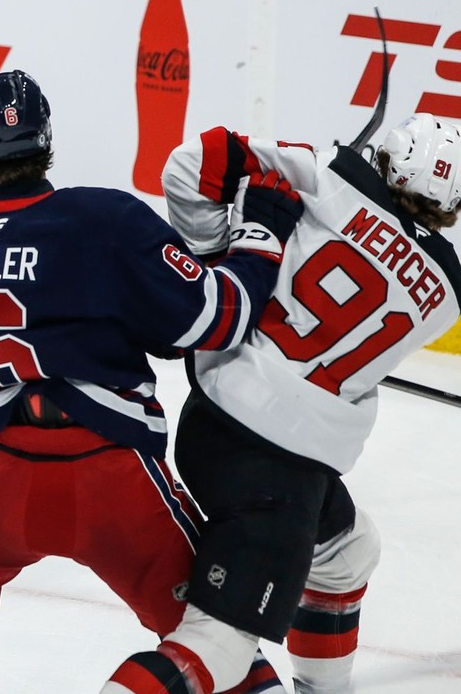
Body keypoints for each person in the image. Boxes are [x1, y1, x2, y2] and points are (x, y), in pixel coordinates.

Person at [0, 70, 300, 693]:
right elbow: (215, 318)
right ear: (47, 140)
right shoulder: (105, 217)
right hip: (111, 478)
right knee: (215, 643)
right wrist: (261, 235)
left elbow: (46, 294)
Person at [100, 114, 461, 694]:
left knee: (347, 549)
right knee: (218, 645)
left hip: (224, 424)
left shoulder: (323, 179)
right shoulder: (445, 293)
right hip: (280, 467)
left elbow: (191, 161)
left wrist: (216, 261)